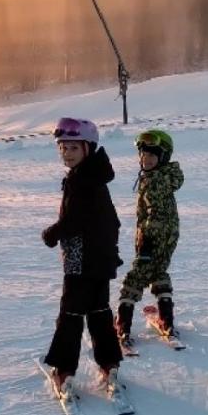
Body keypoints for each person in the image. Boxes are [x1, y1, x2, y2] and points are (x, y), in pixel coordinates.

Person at [41, 117, 123, 400]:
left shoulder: (81, 181)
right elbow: (112, 221)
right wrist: (109, 253)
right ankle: (109, 362)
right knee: (99, 311)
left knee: (72, 314)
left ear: (88, 148)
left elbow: (74, 221)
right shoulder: (95, 175)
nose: (67, 153)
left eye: (73, 148)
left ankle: (64, 369)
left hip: (81, 261)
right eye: (63, 148)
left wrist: (52, 233)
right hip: (100, 260)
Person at [115, 129, 184, 346]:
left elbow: (155, 213)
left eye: (152, 155)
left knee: (135, 278)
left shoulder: (154, 181)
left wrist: (146, 243)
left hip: (152, 239)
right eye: (143, 154)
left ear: (163, 158)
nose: (146, 159)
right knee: (159, 272)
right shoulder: (162, 177)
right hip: (168, 237)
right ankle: (167, 320)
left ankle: (122, 325)